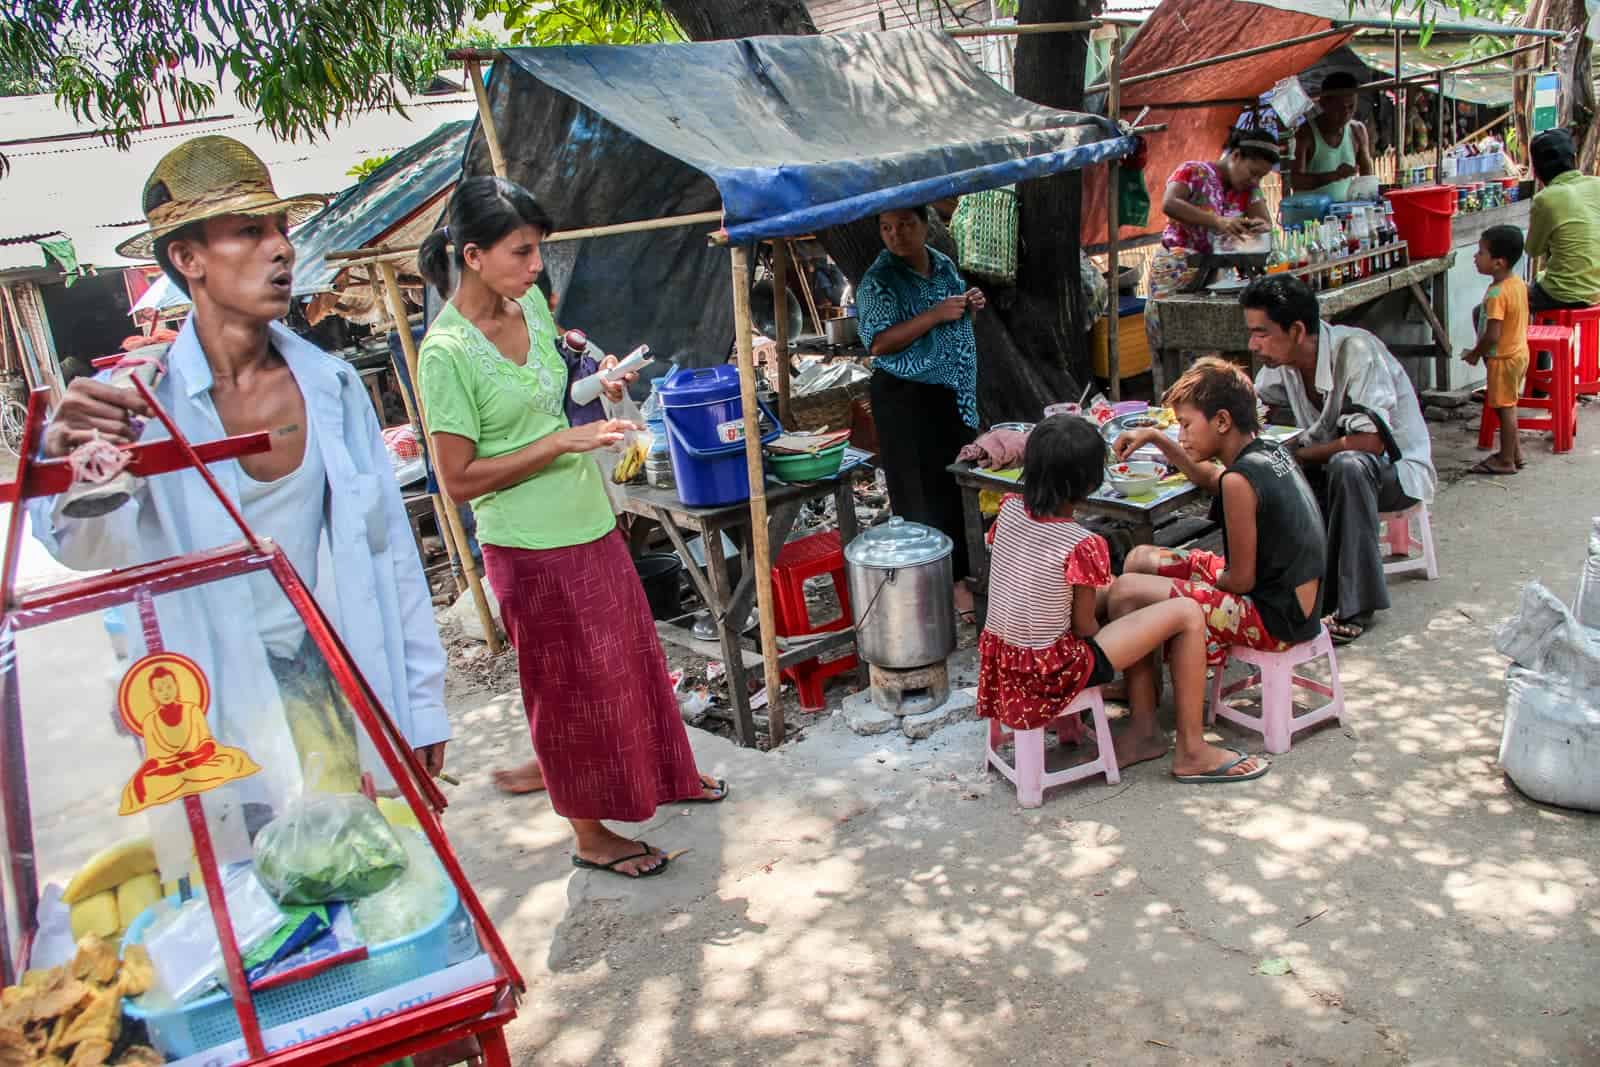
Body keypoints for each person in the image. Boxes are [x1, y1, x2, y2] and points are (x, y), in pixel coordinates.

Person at [30, 135, 450, 803]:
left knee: (354, 866)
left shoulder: (332, 386)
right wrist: (65, 463)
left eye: (280, 229)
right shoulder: (140, 402)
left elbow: (388, 549)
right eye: (249, 232)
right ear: (187, 257)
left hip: (328, 680)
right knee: (243, 888)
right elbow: (87, 552)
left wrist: (421, 701)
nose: (281, 248)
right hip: (202, 703)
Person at [416, 176, 726, 880]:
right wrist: (559, 444)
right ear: (471, 255)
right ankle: (590, 834)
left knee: (632, 662)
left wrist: (600, 381)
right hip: (525, 544)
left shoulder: (527, 302)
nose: (536, 268)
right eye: (522, 253)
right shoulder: (446, 354)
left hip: (589, 517)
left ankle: (666, 776)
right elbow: (457, 479)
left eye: (538, 252)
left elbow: (559, 384)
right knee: (567, 689)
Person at [980, 415, 1267, 784]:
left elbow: (1038, 583)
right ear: (1086, 484)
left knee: (1119, 589)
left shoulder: (1009, 511)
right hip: (1050, 672)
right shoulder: (1082, 544)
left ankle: (1143, 716)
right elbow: (1084, 627)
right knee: (1188, 613)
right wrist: (1123, 634)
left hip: (1005, 661)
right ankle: (1193, 750)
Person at [1111, 359, 1322, 778]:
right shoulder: (1264, 452)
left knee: (1128, 590)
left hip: (1275, 616)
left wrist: (1200, 584)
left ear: (1222, 421)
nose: (1182, 434)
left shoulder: (1239, 482)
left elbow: (1240, 581)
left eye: (1186, 425)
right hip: (1288, 594)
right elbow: (1210, 477)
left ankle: (1154, 730)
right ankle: (1145, 696)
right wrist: (1157, 437)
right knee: (1140, 559)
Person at [1240, 275, 1436, 646]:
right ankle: (1294, 593)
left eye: (1261, 332)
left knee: (1348, 465)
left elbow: (1371, 442)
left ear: (1296, 330)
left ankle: (1355, 606)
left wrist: (1298, 455)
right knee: (1270, 472)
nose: (1253, 344)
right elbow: (1250, 402)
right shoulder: (1282, 362)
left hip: (1396, 473)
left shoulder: (1356, 350)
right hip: (1337, 470)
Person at [855, 205, 986, 620]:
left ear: (927, 225)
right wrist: (933, 315)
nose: (895, 234)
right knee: (921, 493)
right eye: (886, 227)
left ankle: (966, 574)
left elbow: (953, 317)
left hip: (948, 393)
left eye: (905, 224)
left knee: (955, 485)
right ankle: (943, 587)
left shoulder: (943, 264)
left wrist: (968, 306)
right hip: (906, 398)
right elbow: (877, 344)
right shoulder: (879, 281)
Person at [1464, 226, 1530, 476]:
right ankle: (1515, 453)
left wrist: (1474, 353)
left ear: (1498, 263)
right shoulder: (1518, 284)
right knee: (1508, 405)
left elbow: (1492, 335)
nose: (1475, 257)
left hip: (1503, 358)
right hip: (1519, 352)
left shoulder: (1496, 294)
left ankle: (1505, 459)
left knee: (1505, 409)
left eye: (1481, 253)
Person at [1158, 122, 1278, 256]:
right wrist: (1217, 221)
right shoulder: (1194, 171)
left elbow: (1264, 223)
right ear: (1236, 155)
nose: (1255, 181)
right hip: (1176, 267)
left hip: (1218, 270)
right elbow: (1169, 204)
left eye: (1260, 177)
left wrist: (1261, 228)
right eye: (1252, 172)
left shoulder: (1249, 190)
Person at [1525, 129, 1600, 313]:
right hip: (1597, 288)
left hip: (1564, 293)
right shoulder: (1597, 184)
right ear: (1574, 159)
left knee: (1488, 308)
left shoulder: (1545, 199)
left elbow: (1533, 250)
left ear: (1537, 170)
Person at [1292, 72, 1375, 202]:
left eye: (1351, 106)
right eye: (1339, 108)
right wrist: (1335, 176)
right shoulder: (1305, 134)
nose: (1346, 113)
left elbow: (1367, 176)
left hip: (1343, 213)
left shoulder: (1357, 130)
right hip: (1309, 216)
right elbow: (1296, 181)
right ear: (1323, 103)